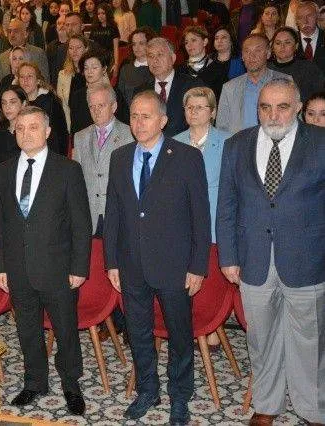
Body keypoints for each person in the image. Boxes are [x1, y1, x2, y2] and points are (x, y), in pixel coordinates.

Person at [216, 77, 325, 426]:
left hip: (308, 259)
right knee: (261, 338)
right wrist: (228, 256)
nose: (273, 115)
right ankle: (266, 403)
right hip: (254, 259)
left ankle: (313, 409)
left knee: (310, 341)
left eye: (282, 107)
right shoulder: (237, 145)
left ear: (298, 107)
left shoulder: (320, 142)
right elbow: (226, 205)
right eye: (265, 107)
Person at [103, 90, 211, 425]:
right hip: (131, 264)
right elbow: (114, 212)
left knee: (179, 336)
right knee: (138, 333)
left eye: (146, 116)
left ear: (163, 120)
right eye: (134, 116)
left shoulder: (187, 157)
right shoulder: (120, 157)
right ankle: (148, 390)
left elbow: (200, 216)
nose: (139, 123)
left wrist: (198, 266)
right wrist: (111, 262)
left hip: (175, 266)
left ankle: (180, 395)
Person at [0, 105, 91, 415]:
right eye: (20, 128)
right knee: (27, 329)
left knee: (66, 330)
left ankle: (71, 384)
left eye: (33, 127)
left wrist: (79, 267)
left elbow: (81, 223)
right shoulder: (4, 170)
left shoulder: (68, 169)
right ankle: (35, 382)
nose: (26, 134)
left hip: (58, 268)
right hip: (18, 268)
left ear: (47, 131)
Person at [174, 87, 230, 351]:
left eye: (199, 107)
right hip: (182, 224)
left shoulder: (228, 142)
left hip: (215, 220)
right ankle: (190, 325)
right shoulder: (173, 143)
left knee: (211, 277)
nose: (193, 112)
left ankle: (213, 325)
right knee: (186, 277)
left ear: (213, 112)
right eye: (189, 107)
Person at [73, 83, 133, 236]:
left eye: (101, 105)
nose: (96, 111)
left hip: (119, 213)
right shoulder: (80, 137)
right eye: (92, 107)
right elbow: (76, 180)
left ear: (114, 106)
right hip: (89, 215)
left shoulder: (130, 135)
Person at [216, 34, 290, 135]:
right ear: (242, 56)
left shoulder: (285, 82)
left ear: (268, 53)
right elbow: (221, 128)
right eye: (247, 51)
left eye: (257, 50)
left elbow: (294, 121)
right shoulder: (229, 88)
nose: (252, 56)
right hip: (239, 143)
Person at [134, 38, 203, 137]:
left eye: (160, 55)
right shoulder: (140, 91)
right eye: (151, 56)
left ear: (173, 58)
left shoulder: (192, 86)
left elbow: (201, 123)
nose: (155, 60)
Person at [17, 62, 69, 156]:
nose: (25, 80)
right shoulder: (16, 103)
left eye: (30, 76)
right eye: (22, 77)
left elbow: (60, 136)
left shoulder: (51, 102)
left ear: (38, 81)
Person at [0, 85, 26, 202]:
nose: (7, 107)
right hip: (2, 197)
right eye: (4, 103)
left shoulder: (32, 135)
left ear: (23, 104)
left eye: (12, 102)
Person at [0, 18, 50, 99]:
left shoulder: (38, 53)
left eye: (16, 31)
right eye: (9, 31)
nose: (12, 34)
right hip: (10, 102)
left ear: (25, 34)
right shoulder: (2, 57)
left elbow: (45, 82)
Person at [268, 26, 325, 101]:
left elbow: (320, 96)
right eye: (278, 43)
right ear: (272, 47)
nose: (282, 46)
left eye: (287, 42)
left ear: (296, 46)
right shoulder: (266, 68)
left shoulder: (309, 68)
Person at [70, 48, 114, 134]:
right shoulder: (77, 96)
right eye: (86, 68)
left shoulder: (114, 93)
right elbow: (75, 128)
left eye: (94, 68)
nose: (89, 72)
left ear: (104, 69)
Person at [117, 27, 155, 123]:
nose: (137, 48)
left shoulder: (156, 67)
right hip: (127, 118)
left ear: (150, 45)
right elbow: (120, 97)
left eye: (141, 43)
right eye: (134, 44)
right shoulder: (125, 68)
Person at [178, 26, 226, 101]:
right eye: (186, 42)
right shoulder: (179, 71)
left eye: (193, 40)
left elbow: (222, 100)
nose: (189, 45)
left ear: (205, 42)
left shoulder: (218, 68)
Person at [57, 35, 88, 130]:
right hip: (73, 124)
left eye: (78, 47)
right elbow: (62, 105)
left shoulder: (96, 71)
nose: (74, 51)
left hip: (93, 123)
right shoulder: (62, 74)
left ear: (86, 49)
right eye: (71, 48)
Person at [90, 3, 120, 77]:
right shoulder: (94, 27)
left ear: (108, 13)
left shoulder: (113, 27)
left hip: (109, 58)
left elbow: (116, 48)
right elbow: (91, 45)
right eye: (98, 13)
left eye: (103, 13)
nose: (100, 16)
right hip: (97, 58)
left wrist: (116, 64)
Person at [296, 1, 325, 73]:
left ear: (317, 16)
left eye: (309, 16)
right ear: (296, 21)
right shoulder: (291, 40)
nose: (305, 21)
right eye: (300, 17)